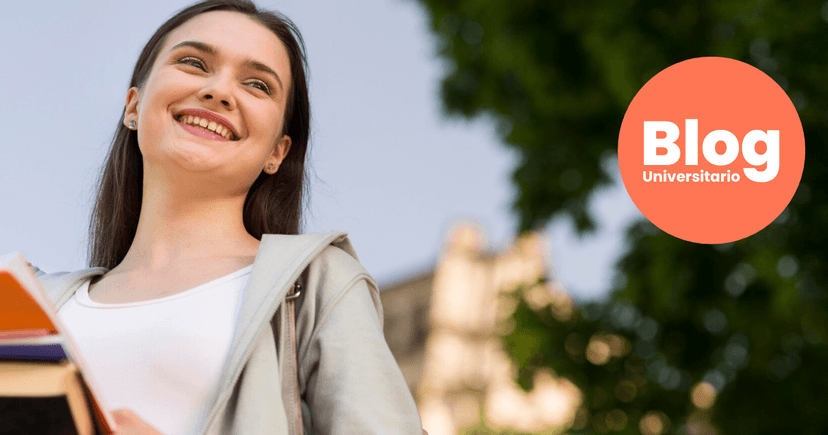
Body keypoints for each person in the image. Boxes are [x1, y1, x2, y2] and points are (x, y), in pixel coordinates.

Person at [32, 0, 427, 434]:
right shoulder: (35, 306)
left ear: (278, 151)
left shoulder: (316, 285)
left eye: (257, 85)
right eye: (193, 62)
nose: (219, 91)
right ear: (133, 106)